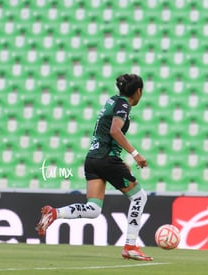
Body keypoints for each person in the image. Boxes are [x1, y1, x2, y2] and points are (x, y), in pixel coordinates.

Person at [35, 73, 153, 261]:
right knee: (139, 197)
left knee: (94, 209)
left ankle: (55, 213)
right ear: (138, 92)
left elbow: (106, 132)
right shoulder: (123, 105)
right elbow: (114, 130)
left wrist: (119, 162)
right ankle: (131, 245)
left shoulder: (112, 101)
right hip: (106, 159)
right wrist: (135, 154)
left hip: (93, 158)